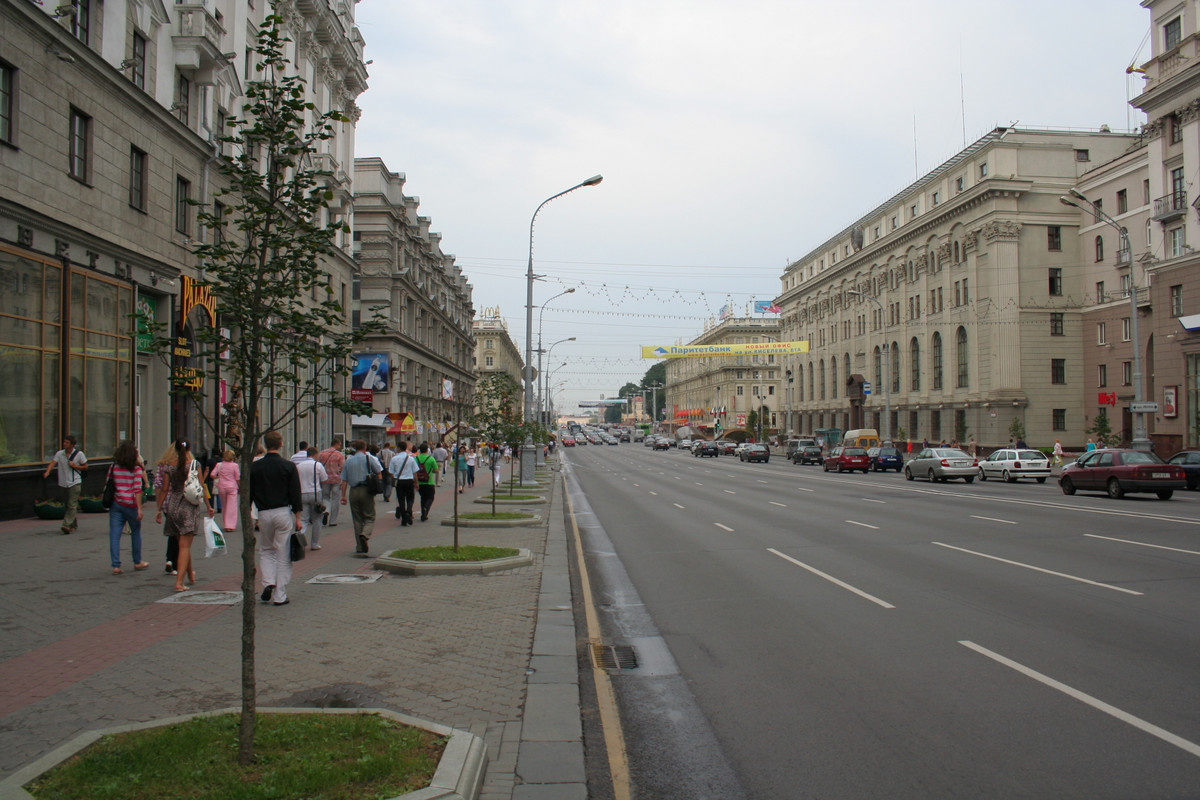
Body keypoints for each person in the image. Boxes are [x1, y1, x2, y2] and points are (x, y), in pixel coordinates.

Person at [252, 430, 303, 606]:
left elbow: (249, 493)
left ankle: (268, 582)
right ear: (281, 444)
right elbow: (295, 493)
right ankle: (280, 595)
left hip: (263, 513)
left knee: (266, 549)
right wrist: (298, 517)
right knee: (283, 553)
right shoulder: (288, 466)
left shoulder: (255, 467)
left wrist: (250, 517)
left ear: (265, 445)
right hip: (282, 512)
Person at [155, 439, 213, 593]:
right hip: (188, 506)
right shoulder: (194, 464)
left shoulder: (169, 466)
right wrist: (208, 506)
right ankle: (179, 583)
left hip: (173, 506)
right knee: (185, 546)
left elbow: (164, 489)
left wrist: (158, 509)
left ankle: (190, 575)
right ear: (189, 449)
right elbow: (201, 486)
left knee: (183, 545)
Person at [107, 440, 148, 575]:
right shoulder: (136, 469)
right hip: (131, 505)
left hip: (116, 503)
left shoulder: (114, 467)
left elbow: (108, 483)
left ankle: (116, 565)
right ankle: (137, 561)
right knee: (135, 532)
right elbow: (137, 489)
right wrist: (139, 508)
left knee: (115, 535)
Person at [340, 440, 383, 554]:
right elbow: (379, 472)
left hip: (353, 491)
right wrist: (378, 485)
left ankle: (359, 546)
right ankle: (365, 534)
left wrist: (343, 496)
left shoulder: (349, 461)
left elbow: (344, 480)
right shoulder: (369, 459)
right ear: (364, 448)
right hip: (366, 490)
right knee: (369, 516)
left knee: (357, 519)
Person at [43, 435, 88, 535]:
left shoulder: (79, 454)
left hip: (75, 482)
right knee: (68, 505)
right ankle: (73, 524)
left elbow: (85, 467)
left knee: (72, 504)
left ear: (72, 445)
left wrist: (74, 465)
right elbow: (53, 463)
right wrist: (47, 471)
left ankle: (66, 525)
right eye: (64, 442)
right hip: (63, 483)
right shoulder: (60, 453)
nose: (64, 444)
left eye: (67, 442)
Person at [295, 446, 327, 549]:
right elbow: (324, 479)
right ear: (315, 454)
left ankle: (300, 539)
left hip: (302, 493)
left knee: (304, 519)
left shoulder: (299, 466)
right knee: (317, 519)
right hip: (315, 493)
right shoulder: (317, 465)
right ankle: (314, 543)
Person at [209, 449, 241, 533]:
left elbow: (212, 474)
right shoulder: (235, 466)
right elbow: (237, 478)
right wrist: (240, 486)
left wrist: (218, 477)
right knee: (232, 506)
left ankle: (226, 522)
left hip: (222, 486)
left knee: (225, 505)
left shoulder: (219, 465)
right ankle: (230, 525)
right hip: (232, 487)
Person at [316, 438, 345, 526]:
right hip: (336, 479)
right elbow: (343, 467)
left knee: (325, 497)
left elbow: (318, 465)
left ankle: (326, 511)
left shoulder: (322, 453)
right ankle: (333, 521)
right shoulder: (340, 455)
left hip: (325, 479)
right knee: (335, 499)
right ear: (337, 444)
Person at [390, 441, 418, 525]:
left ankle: (404, 518)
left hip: (399, 481)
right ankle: (409, 511)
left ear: (398, 448)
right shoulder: (411, 458)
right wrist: (416, 482)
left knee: (401, 499)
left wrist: (394, 479)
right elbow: (415, 472)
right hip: (409, 480)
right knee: (410, 498)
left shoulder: (394, 458)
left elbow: (391, 472)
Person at [414, 442, 439, 521]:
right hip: (429, 481)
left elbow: (413, 470)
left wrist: (415, 482)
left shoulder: (415, 459)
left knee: (423, 498)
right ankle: (426, 508)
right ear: (427, 450)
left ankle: (423, 515)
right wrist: (430, 471)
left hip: (420, 482)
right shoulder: (431, 459)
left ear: (420, 450)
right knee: (430, 497)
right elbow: (436, 470)